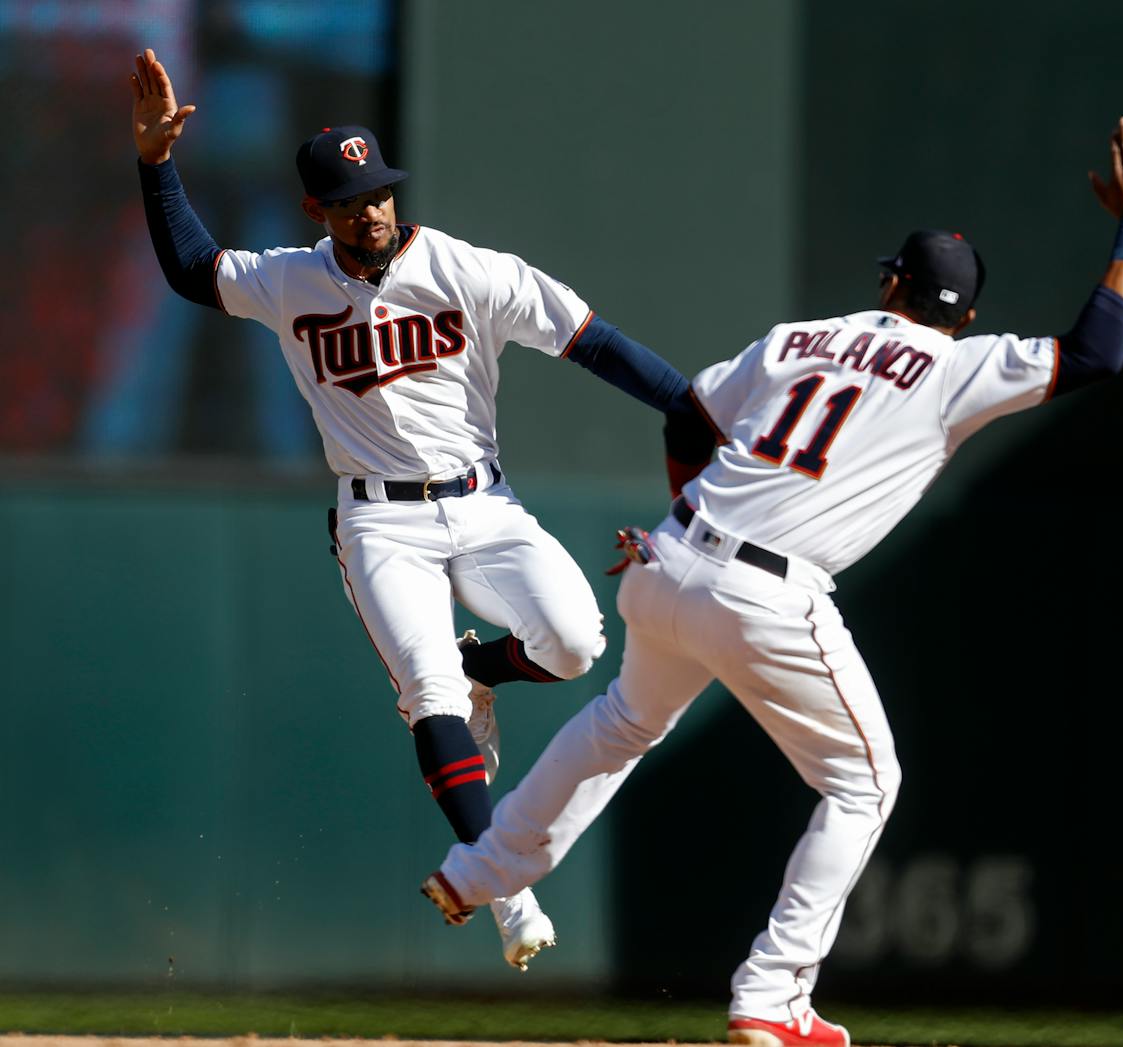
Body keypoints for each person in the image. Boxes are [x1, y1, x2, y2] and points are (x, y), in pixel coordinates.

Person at [419, 117, 1123, 1040]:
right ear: (962, 315)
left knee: (622, 722)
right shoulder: (961, 364)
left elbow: (688, 415)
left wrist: (687, 521)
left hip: (668, 558)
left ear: (890, 283)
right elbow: (1100, 351)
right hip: (767, 591)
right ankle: (772, 996)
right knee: (865, 783)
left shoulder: (799, 338)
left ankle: (479, 871)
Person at [128, 48, 698, 972]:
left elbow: (595, 344)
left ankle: (483, 668)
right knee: (425, 694)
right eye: (352, 200)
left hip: (485, 505)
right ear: (318, 211)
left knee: (575, 643)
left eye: (382, 189)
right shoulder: (290, 279)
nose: (374, 208)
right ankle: (506, 889)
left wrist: (690, 407)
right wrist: (155, 163)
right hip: (378, 523)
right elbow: (196, 269)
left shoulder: (466, 269)